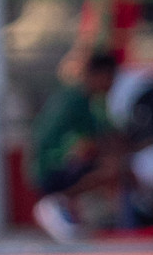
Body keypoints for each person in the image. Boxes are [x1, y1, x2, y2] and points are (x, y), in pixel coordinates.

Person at [31, 49, 125, 243]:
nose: (113, 84)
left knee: (113, 162)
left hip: (52, 165)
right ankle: (56, 202)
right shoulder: (76, 100)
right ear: (99, 75)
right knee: (111, 167)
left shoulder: (87, 100)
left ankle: (78, 211)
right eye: (111, 77)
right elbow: (90, 142)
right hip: (50, 168)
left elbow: (108, 135)